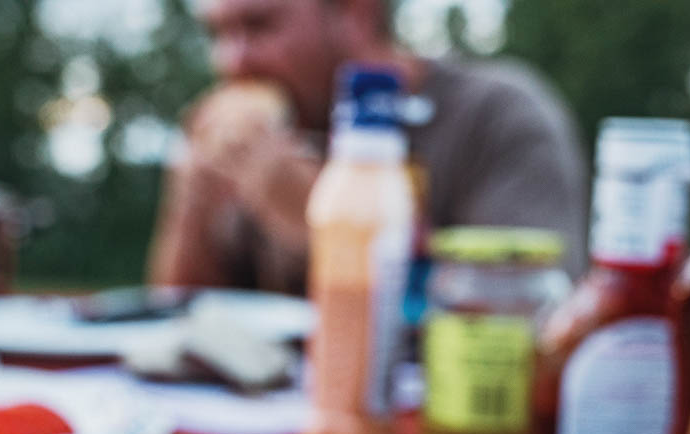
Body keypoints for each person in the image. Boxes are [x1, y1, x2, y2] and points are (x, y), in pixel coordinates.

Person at [148, 0, 588, 296]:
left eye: (259, 26)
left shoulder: (495, 116)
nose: (233, 62)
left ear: (358, 13)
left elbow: (529, 312)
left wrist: (315, 214)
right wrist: (193, 192)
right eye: (218, 34)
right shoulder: (265, 138)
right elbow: (182, 317)